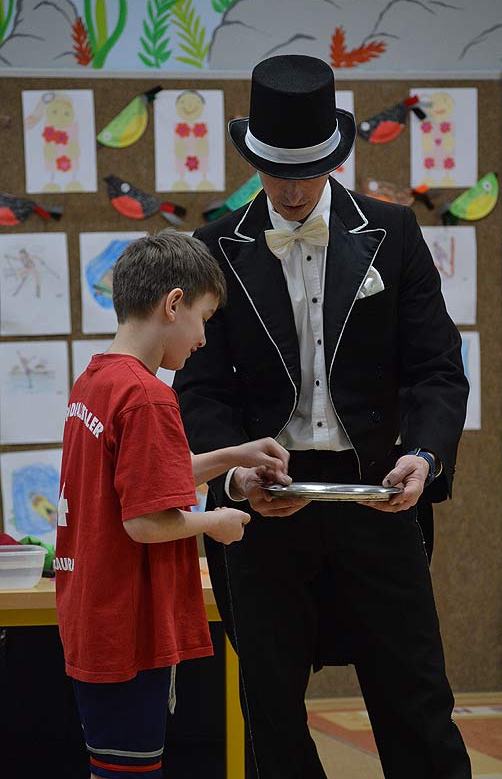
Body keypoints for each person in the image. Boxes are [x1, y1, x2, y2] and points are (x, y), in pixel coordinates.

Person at [174, 55, 471, 778]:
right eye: (277, 172)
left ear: (335, 157)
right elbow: (201, 391)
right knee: (270, 705)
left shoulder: (393, 233)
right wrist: (235, 473)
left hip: (377, 490)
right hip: (265, 500)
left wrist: (424, 456)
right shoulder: (213, 248)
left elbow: (437, 369)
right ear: (254, 160)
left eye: (307, 172)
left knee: (416, 697)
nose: (292, 190)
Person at [54, 229, 290, 779]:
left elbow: (143, 480)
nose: (204, 338)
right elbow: (144, 520)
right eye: (203, 319)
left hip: (94, 613)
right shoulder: (149, 396)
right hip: (129, 627)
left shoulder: (97, 380)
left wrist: (231, 454)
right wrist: (217, 522)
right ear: (173, 303)